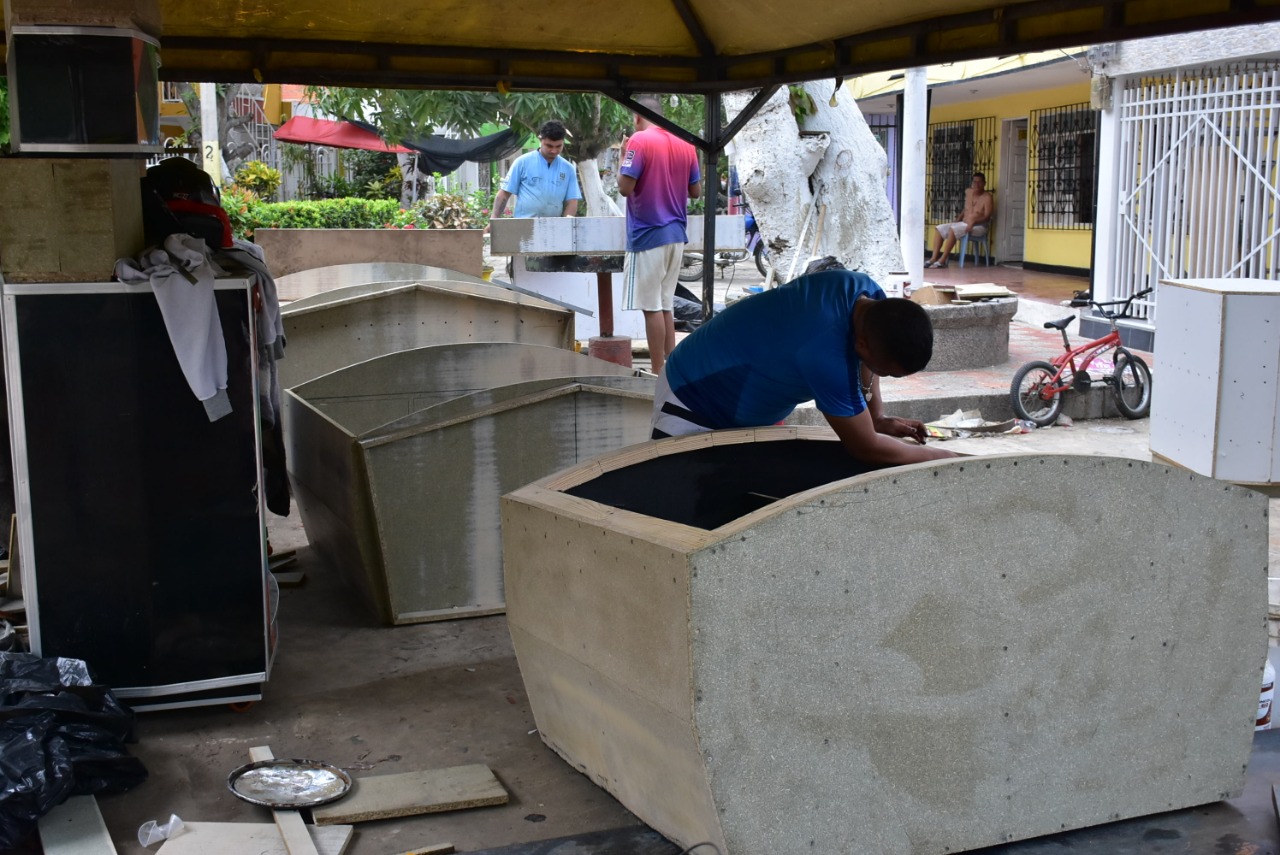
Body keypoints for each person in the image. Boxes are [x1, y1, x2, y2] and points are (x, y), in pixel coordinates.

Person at [651, 261, 958, 466]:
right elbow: (864, 446)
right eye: (886, 371)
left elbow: (865, 362)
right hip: (692, 398)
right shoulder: (824, 352)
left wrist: (877, 417)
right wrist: (942, 457)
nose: (882, 377)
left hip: (746, 403)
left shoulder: (866, 293)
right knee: (678, 504)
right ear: (862, 345)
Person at [617, 95, 702, 375]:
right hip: (676, 234)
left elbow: (625, 188)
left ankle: (656, 371)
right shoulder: (685, 144)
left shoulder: (638, 141)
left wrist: (622, 160)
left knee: (651, 307)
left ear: (637, 117)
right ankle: (672, 367)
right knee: (666, 305)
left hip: (648, 233)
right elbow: (695, 191)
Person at [485, 120, 582, 230]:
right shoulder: (522, 162)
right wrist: (493, 221)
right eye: (549, 146)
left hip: (553, 229)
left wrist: (565, 226)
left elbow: (572, 202)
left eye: (558, 146)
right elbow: (504, 194)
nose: (554, 151)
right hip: (523, 228)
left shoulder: (568, 169)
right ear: (540, 139)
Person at [925, 171, 994, 269]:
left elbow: (987, 216)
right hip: (964, 223)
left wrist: (974, 221)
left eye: (979, 182)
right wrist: (958, 218)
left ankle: (943, 260)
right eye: (974, 182)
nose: (976, 185)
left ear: (984, 183)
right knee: (939, 228)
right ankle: (933, 258)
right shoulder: (969, 193)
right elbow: (965, 209)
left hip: (979, 226)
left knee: (953, 229)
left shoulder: (987, 197)